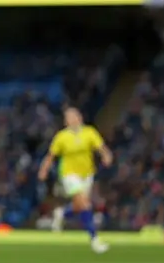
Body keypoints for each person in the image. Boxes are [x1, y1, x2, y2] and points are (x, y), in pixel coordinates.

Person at [38, 107, 113, 254]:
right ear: (66, 122)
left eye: (75, 116)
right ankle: (94, 239)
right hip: (69, 174)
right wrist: (44, 170)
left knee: (79, 205)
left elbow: (101, 147)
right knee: (85, 204)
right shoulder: (61, 137)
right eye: (69, 118)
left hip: (87, 174)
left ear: (80, 118)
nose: (72, 120)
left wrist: (107, 156)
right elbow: (50, 156)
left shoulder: (89, 132)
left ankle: (62, 214)